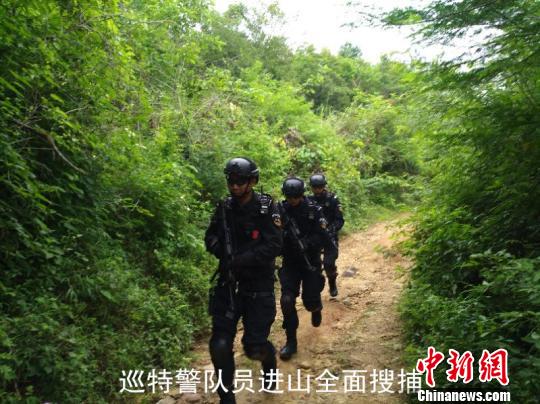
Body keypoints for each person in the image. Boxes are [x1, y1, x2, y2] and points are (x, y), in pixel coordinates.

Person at [204, 157, 283, 404]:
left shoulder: (266, 207)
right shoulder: (224, 208)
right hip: (229, 284)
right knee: (219, 344)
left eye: (240, 181)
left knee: (254, 347)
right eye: (231, 181)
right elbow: (210, 237)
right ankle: (227, 398)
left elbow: (275, 244)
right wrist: (221, 250)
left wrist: (243, 259)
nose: (235, 186)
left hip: (258, 285)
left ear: (252, 182)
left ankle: (269, 363)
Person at [277, 177, 330, 360]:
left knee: (310, 301)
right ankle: (291, 342)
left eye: (296, 197)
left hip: (310, 261)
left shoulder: (314, 210)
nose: (292, 200)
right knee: (286, 300)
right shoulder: (280, 210)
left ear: (302, 194)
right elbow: (271, 233)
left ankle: (316, 308)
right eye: (289, 197)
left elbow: (323, 236)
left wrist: (307, 243)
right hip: (290, 263)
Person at [307, 174, 344, 297]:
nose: (317, 189)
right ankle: (316, 287)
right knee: (313, 265)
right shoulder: (308, 200)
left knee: (329, 263)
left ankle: (332, 282)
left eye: (319, 187)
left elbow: (339, 220)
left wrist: (331, 229)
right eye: (315, 187)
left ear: (324, 186)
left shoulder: (332, 199)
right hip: (314, 237)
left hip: (329, 236)